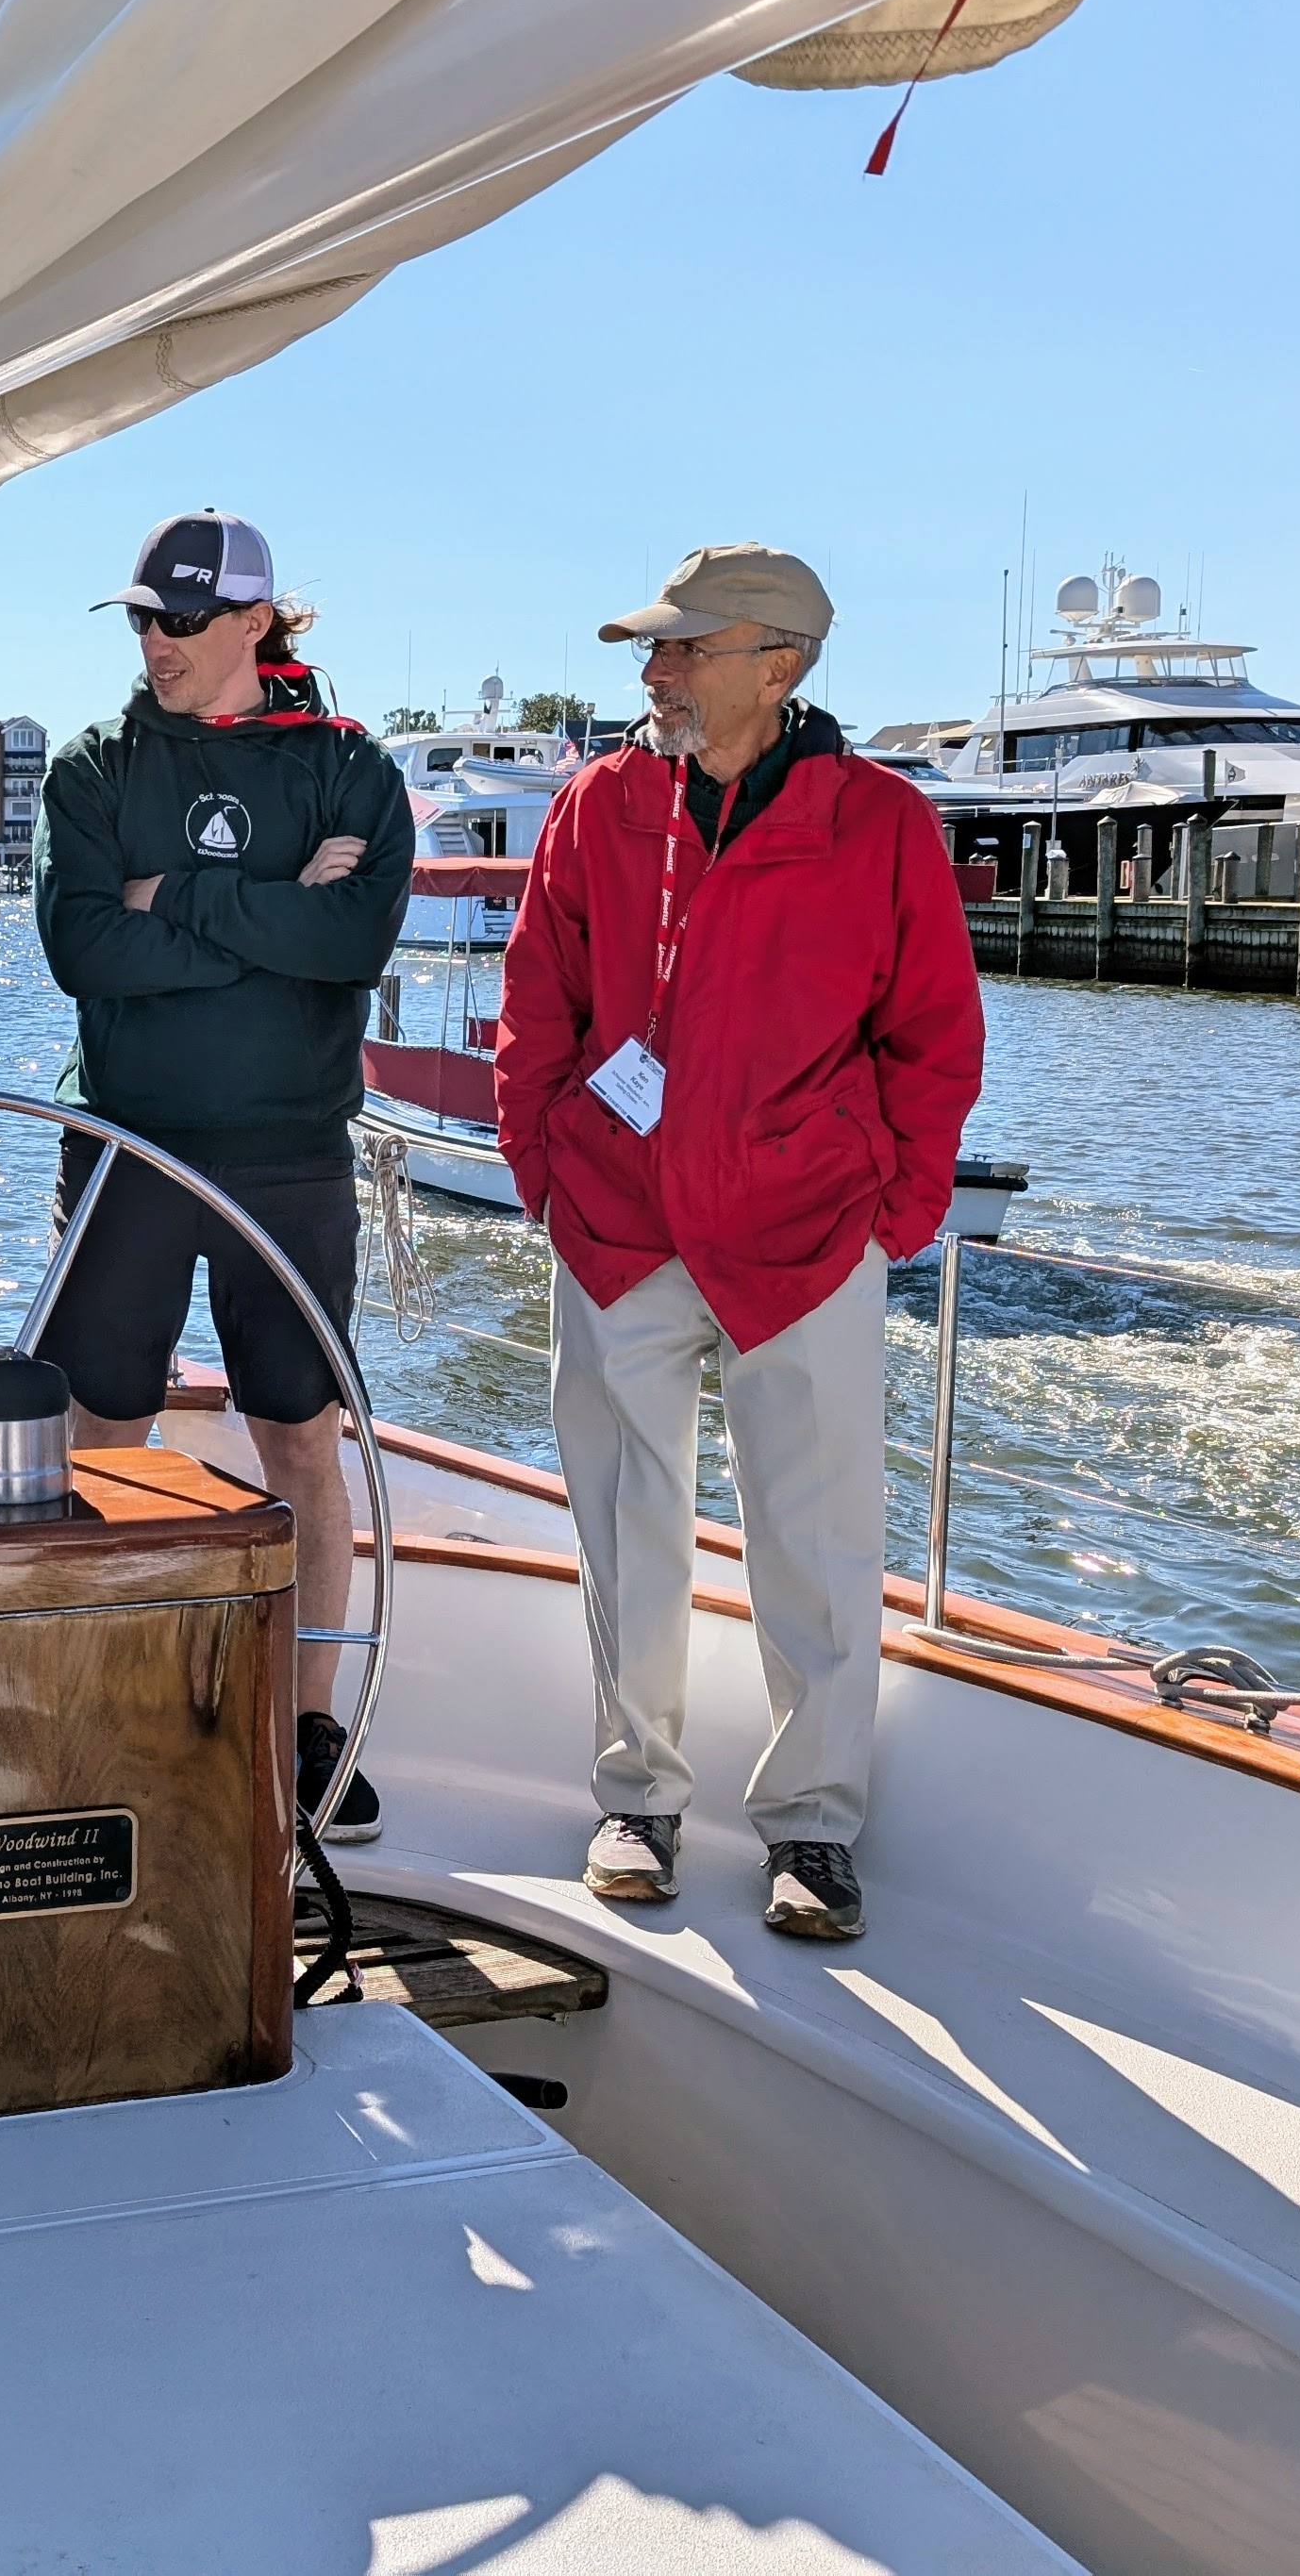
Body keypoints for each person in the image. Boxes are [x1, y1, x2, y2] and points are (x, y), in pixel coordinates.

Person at [491, 543, 984, 1940]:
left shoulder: (881, 825)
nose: (654, 675)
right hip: (618, 1223)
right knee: (627, 1527)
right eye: (651, 651)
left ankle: (812, 1830)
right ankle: (635, 1801)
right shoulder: (597, 806)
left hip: (808, 1235)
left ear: (781, 666)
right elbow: (539, 998)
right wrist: (542, 1168)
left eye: (681, 651)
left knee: (817, 1539)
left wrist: (899, 1213)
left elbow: (934, 1040)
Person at [27, 510, 413, 1842]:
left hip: (290, 1153)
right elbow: (83, 952)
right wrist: (269, 906)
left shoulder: (352, 770)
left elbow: (351, 942)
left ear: (259, 623)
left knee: (301, 1436)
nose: (156, 644)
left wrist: (173, 897)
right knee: (101, 1428)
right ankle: (96, 1693)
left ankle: (311, 1728)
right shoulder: (91, 768)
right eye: (141, 619)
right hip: (129, 1146)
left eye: (181, 622)